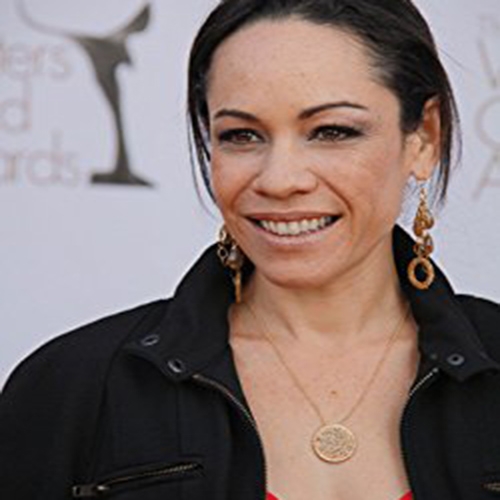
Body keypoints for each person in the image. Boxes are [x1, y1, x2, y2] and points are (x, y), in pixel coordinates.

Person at [1, 1, 500, 499]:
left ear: (423, 139)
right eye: (241, 135)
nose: (279, 180)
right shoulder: (74, 387)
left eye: (332, 131)